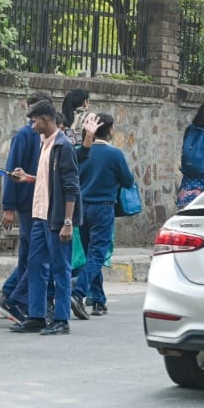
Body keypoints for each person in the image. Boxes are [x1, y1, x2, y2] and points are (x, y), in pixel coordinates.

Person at [8, 101, 82, 336]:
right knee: (36, 265)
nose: (32, 126)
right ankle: (37, 315)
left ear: (46, 120)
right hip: (39, 216)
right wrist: (28, 178)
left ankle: (61, 319)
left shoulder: (63, 146)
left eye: (35, 121)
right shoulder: (45, 144)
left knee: (60, 268)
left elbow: (72, 187)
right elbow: (47, 180)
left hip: (56, 218)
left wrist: (68, 222)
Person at [0, 91, 52, 323]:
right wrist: (8, 206)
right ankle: (14, 298)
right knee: (35, 256)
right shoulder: (25, 136)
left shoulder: (47, 138)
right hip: (29, 205)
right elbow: (12, 170)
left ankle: (10, 294)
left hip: (40, 203)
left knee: (29, 254)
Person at [71, 113, 134, 318]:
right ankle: (78, 291)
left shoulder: (81, 151)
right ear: (109, 130)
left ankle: (98, 300)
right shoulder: (114, 154)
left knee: (90, 253)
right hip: (103, 207)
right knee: (98, 254)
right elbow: (127, 181)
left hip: (82, 208)